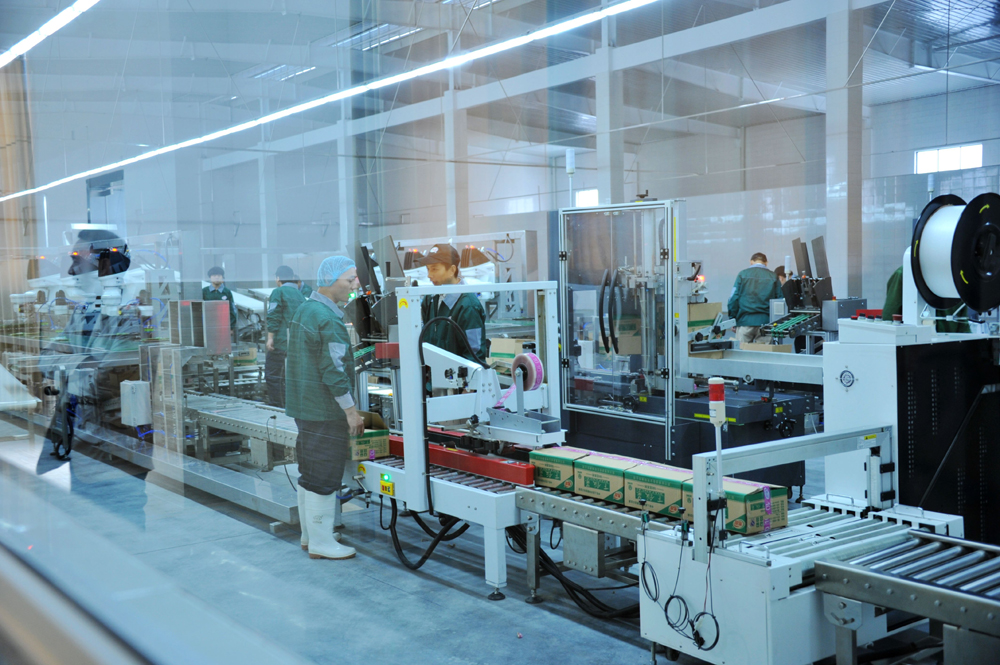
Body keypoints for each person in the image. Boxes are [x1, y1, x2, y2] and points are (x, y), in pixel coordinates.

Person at [286, 255, 364, 560]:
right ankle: (321, 543)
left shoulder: (305, 309)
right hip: (324, 410)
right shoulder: (328, 318)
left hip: (304, 406)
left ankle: (311, 535)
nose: (355, 285)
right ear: (330, 281)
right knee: (325, 474)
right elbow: (333, 369)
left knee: (309, 471)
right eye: (350, 279)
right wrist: (351, 411)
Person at [417, 243, 490, 364]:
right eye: (428, 269)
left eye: (434, 269)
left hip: (456, 375)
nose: (429, 275)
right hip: (432, 373)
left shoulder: (468, 306)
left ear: (452, 270)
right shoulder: (430, 299)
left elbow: (474, 357)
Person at [881, 265, 970, 333]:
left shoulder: (958, 277)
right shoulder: (905, 274)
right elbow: (889, 321)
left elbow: (963, 325)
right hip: (912, 345)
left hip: (950, 346)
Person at [265, 265, 305, 408]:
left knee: (273, 376)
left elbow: (273, 315)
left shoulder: (278, 292)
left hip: (280, 343)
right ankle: (292, 406)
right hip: (296, 343)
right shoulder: (300, 295)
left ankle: (278, 406)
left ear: (278, 278)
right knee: (291, 378)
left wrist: (270, 338)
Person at [728, 252, 784, 345]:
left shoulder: (742, 274)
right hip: (766, 323)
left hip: (744, 322)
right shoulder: (773, 276)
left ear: (751, 262)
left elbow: (733, 299)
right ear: (766, 263)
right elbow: (779, 300)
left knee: (742, 352)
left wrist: (732, 319)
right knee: (763, 353)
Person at [202, 266, 237, 333]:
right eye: (214, 275)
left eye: (219, 275)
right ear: (210, 277)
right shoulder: (204, 291)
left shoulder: (227, 292)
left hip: (224, 325)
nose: (216, 277)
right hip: (208, 325)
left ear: (222, 277)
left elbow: (232, 310)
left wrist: (231, 327)